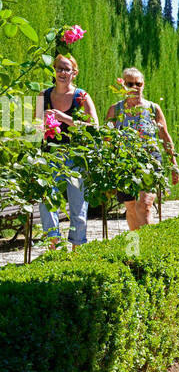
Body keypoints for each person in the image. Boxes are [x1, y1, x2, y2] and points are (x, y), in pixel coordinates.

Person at [35, 53, 99, 249]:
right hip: (49, 157)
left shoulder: (81, 97)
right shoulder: (42, 96)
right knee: (46, 201)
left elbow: (95, 127)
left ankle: (76, 250)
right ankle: (54, 245)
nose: (62, 72)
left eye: (66, 69)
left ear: (74, 73)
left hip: (76, 157)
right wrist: (42, 126)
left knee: (78, 207)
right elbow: (34, 129)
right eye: (59, 68)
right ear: (53, 71)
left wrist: (65, 118)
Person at [106, 67, 179, 231]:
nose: (134, 87)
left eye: (138, 83)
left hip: (150, 160)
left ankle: (148, 247)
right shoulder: (116, 110)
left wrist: (173, 163)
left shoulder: (153, 109)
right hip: (124, 162)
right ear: (123, 85)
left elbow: (165, 137)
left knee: (145, 204)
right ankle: (135, 249)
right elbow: (107, 139)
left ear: (143, 85)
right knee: (131, 207)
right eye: (129, 83)